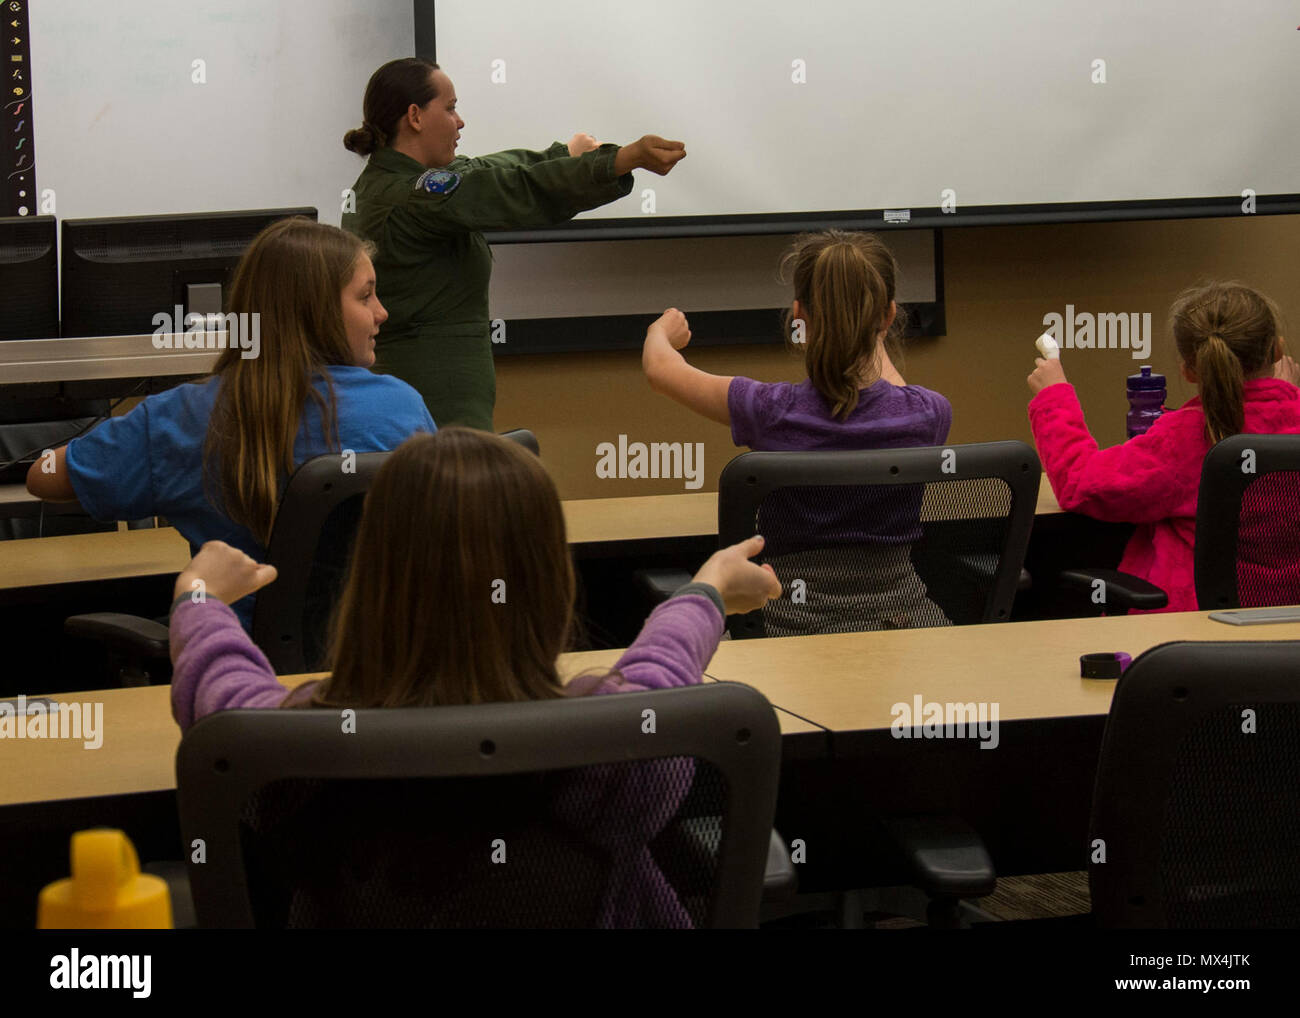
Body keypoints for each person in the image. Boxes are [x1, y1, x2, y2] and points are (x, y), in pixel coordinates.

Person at [166, 428, 781, 927]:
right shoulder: (618, 748)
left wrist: (199, 600)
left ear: (371, 578)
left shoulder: (286, 752)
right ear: (548, 583)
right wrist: (707, 591)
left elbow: (221, 694)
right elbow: (662, 671)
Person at [26, 217, 435, 629]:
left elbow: (42, 478)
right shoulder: (403, 406)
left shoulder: (183, 417)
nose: (382, 312)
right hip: (376, 671)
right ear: (317, 311)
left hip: (233, 669)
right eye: (366, 297)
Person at [341, 57, 686, 430]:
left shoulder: (389, 182)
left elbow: (482, 169)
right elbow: (509, 189)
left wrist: (562, 155)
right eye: (451, 108)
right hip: (437, 412)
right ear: (415, 116)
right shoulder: (410, 196)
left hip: (431, 403)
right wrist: (621, 160)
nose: (460, 121)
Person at [641, 230, 953, 634]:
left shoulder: (768, 410)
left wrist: (660, 333)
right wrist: (868, 328)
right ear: (889, 316)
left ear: (799, 314)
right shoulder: (928, 414)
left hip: (788, 626)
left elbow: (660, 369)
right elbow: (888, 388)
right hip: (903, 623)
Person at [1027, 280, 1300, 612]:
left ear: (1188, 370)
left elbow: (1080, 483)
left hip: (1189, 637)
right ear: (1277, 350)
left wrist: (1054, 395)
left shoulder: (1185, 438)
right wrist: (1283, 396)